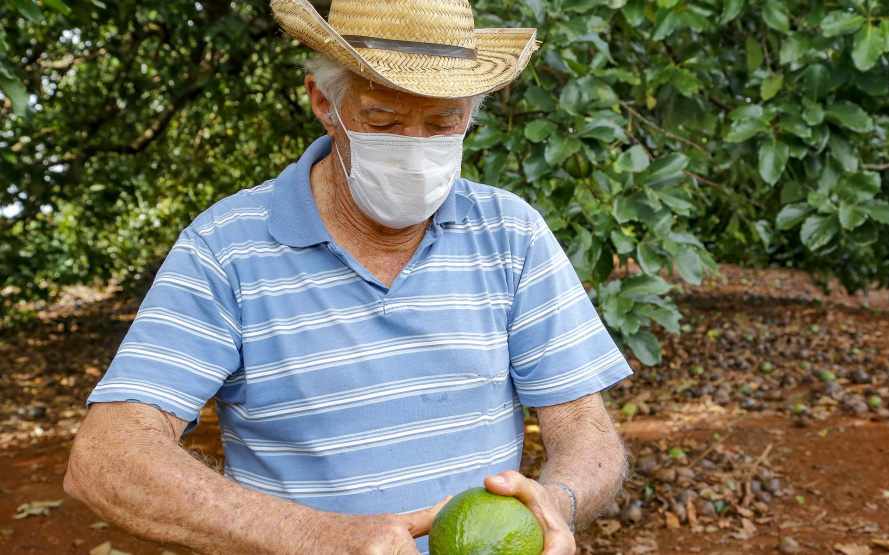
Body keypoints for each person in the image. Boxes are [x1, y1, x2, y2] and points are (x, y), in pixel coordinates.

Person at [63, 0, 633, 553]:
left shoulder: (512, 234)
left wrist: (557, 503)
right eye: (383, 119)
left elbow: (587, 429)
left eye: (442, 122)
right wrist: (314, 538)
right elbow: (105, 458)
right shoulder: (226, 247)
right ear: (323, 102)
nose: (414, 148)